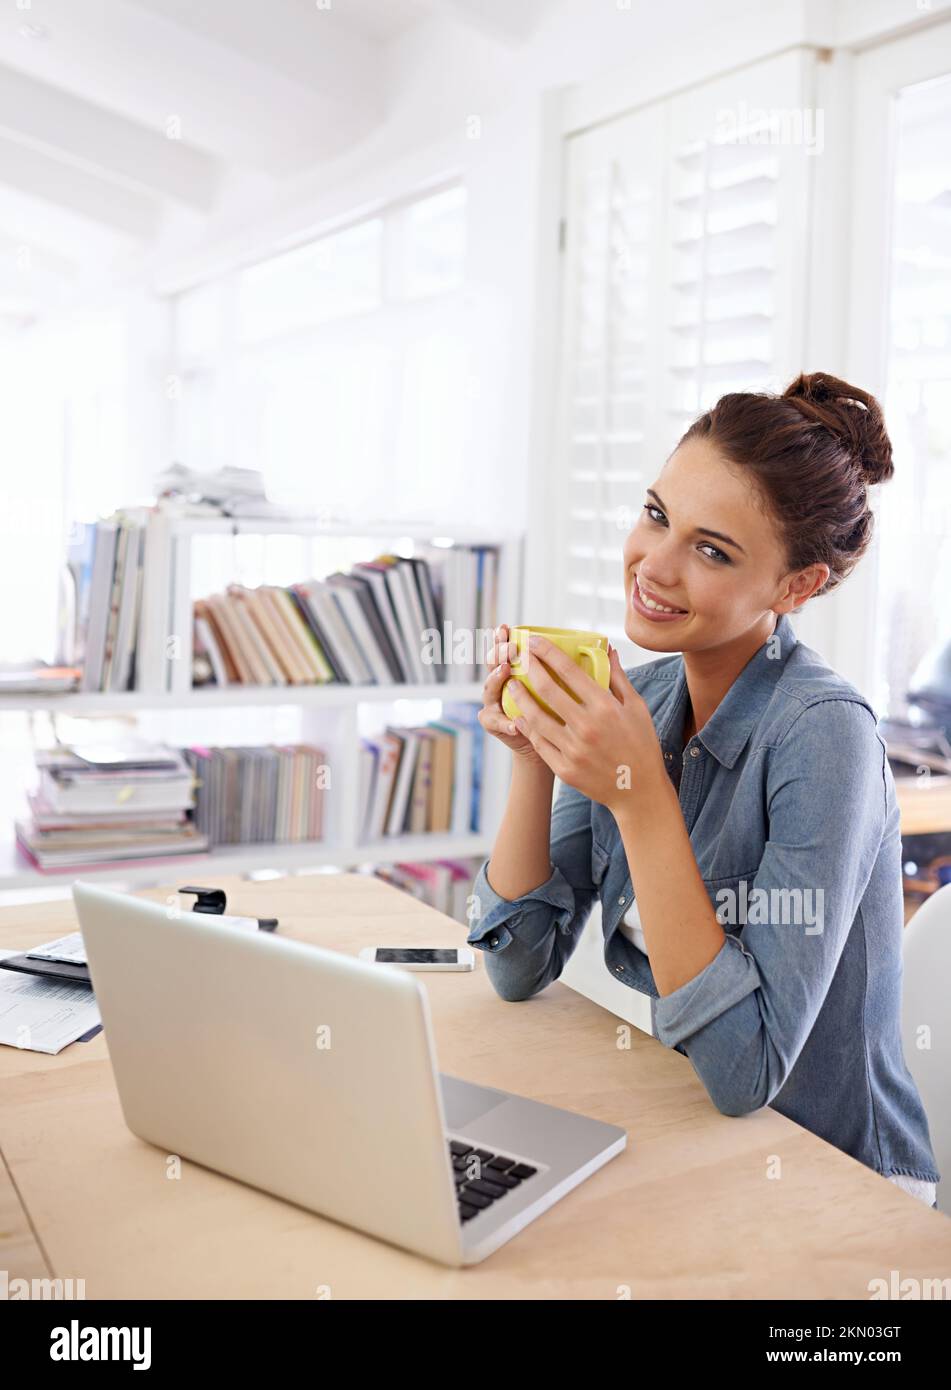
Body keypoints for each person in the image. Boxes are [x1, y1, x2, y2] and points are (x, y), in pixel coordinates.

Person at [470, 372, 940, 1208]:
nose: (653, 565)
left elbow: (744, 1071)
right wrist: (534, 756)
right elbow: (518, 968)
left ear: (795, 587)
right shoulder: (642, 698)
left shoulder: (824, 735)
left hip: (841, 1188)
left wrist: (638, 793)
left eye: (711, 550)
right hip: (697, 1143)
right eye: (656, 515)